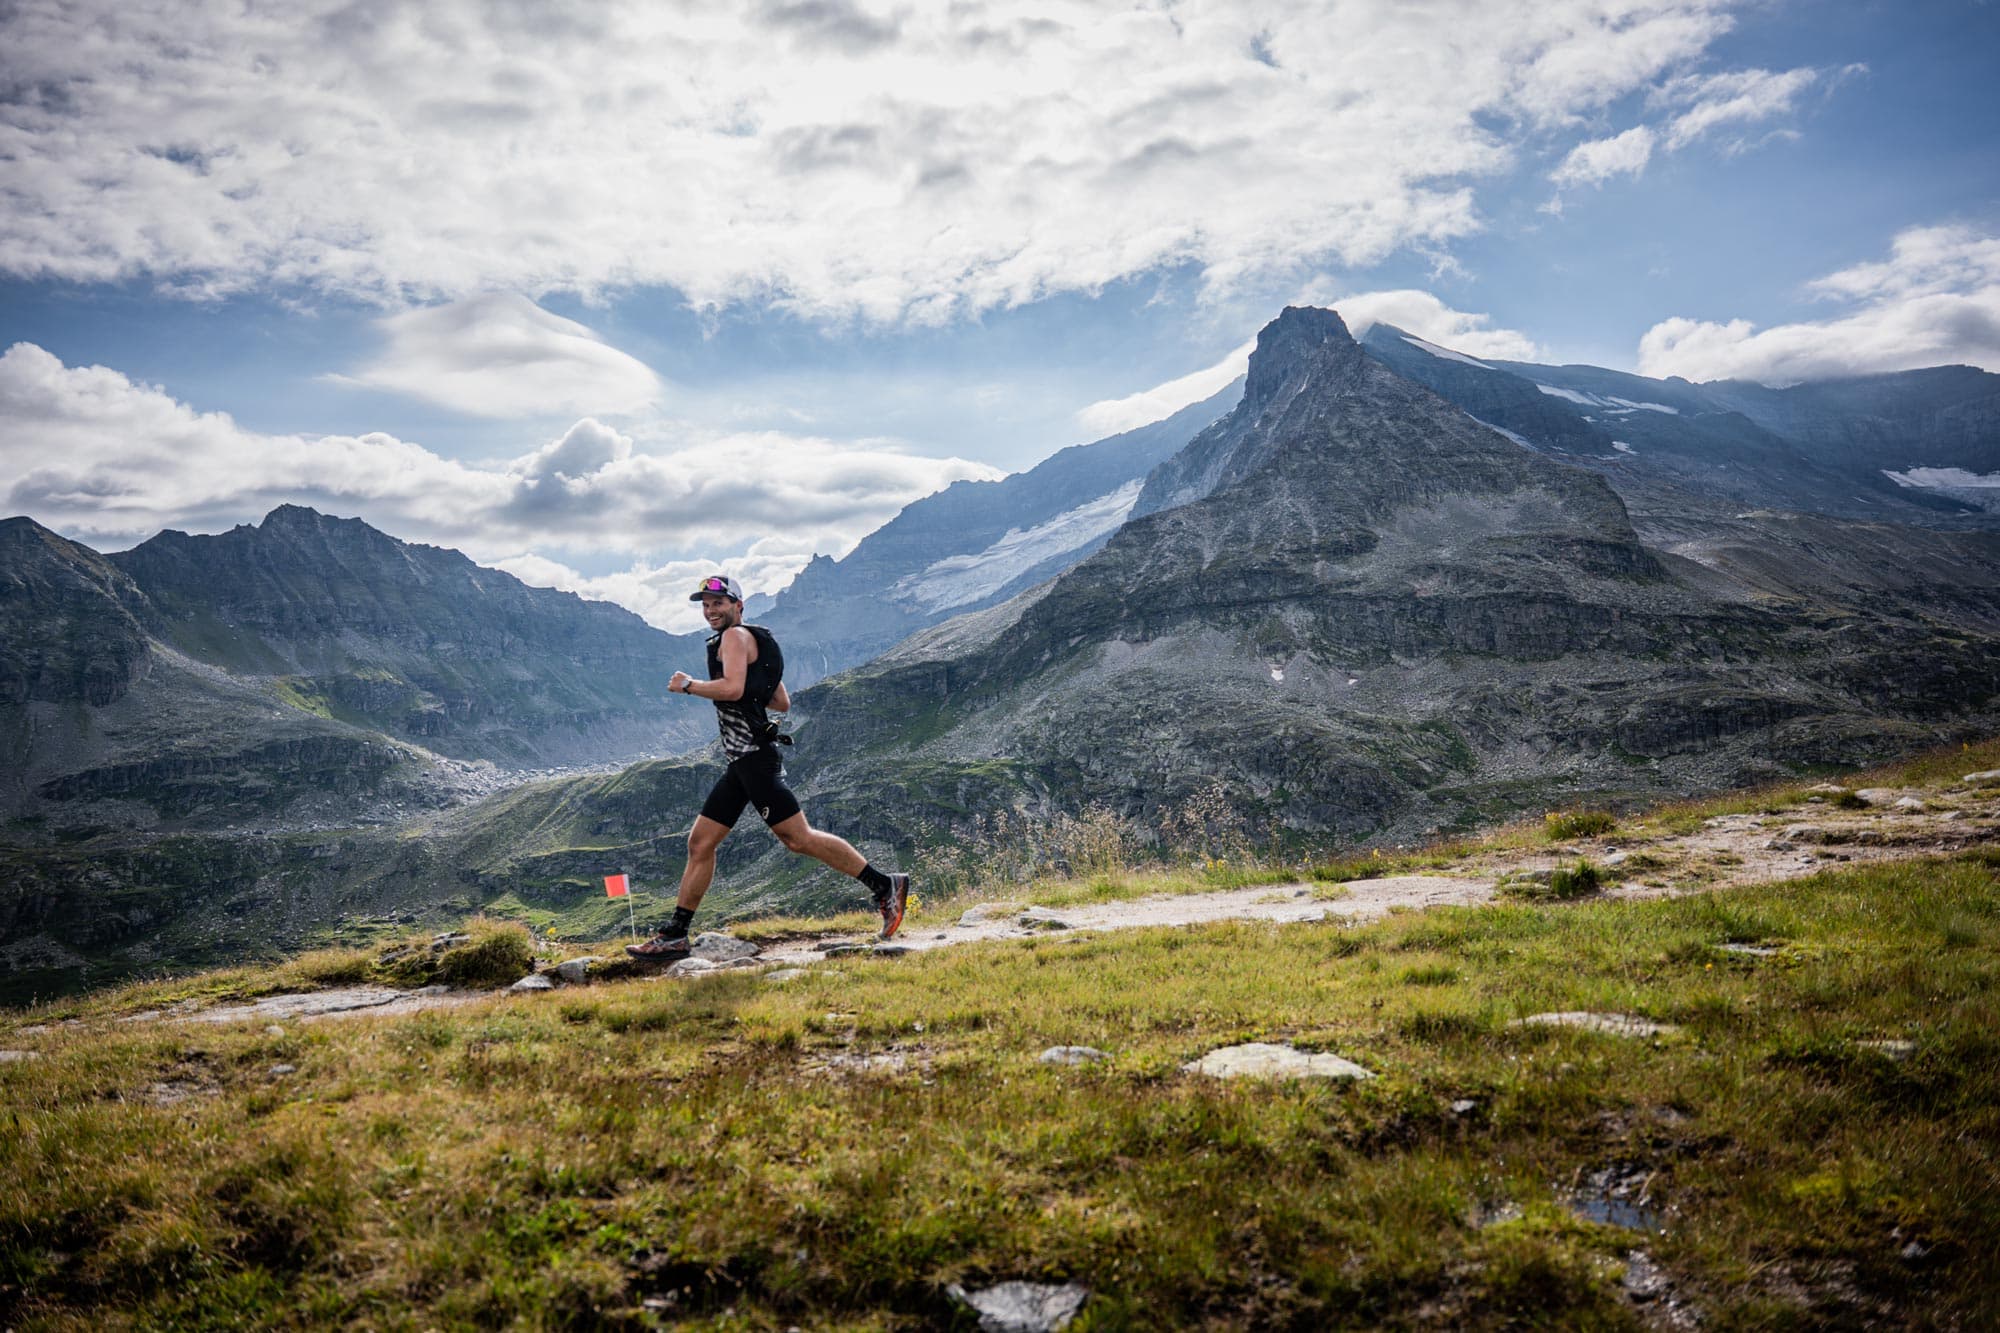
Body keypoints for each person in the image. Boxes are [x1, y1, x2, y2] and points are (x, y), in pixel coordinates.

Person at [627, 575, 910, 961]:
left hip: (753, 759)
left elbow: (731, 689)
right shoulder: (757, 640)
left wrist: (689, 684)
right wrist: (744, 691)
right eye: (705, 605)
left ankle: (884, 885)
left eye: (718, 603)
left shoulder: (734, 638)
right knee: (700, 843)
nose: (710, 611)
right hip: (743, 761)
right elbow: (780, 701)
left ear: (738, 605)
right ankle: (675, 934)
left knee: (798, 838)